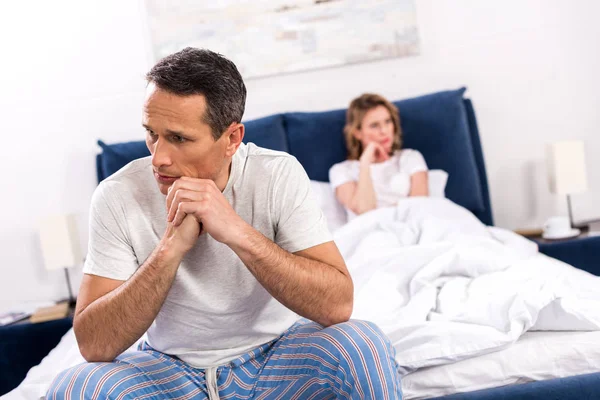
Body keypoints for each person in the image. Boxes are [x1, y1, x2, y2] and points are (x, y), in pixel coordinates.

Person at [48, 48, 402, 399]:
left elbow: (337, 306)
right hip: (170, 371)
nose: (158, 158)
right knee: (75, 387)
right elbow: (94, 345)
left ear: (232, 139)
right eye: (151, 133)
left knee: (363, 345)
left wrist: (236, 232)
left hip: (277, 359)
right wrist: (170, 250)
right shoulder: (117, 195)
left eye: (178, 138)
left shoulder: (277, 174)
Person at [329, 94, 429, 219]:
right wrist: (365, 163)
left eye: (388, 122)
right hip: (370, 234)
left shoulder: (410, 158)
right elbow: (364, 211)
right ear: (357, 133)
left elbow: (419, 208)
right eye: (374, 125)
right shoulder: (341, 170)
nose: (384, 131)